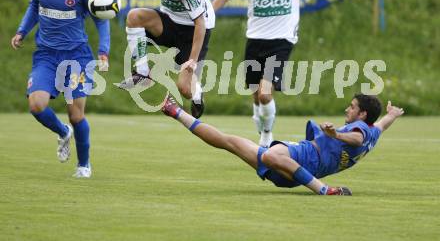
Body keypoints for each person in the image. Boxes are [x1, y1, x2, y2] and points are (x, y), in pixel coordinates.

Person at [212, 0, 380, 147]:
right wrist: (206, 18)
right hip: (255, 41)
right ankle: (259, 117)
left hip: (281, 42)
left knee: (265, 94)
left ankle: (266, 135)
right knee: (256, 95)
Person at [161, 93, 404, 195]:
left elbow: (356, 138)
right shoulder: (374, 131)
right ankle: (175, 111)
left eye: (351, 107)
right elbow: (382, 124)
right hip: (294, 173)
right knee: (229, 142)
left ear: (362, 115)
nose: (346, 109)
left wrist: (336, 135)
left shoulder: (360, 131)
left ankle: (324, 190)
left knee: (265, 155)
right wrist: (392, 114)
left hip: (304, 158)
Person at [11, 0, 110, 178]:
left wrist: (103, 51)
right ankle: (63, 132)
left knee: (76, 115)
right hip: (46, 56)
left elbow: (101, 19)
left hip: (77, 58)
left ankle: (84, 165)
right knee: (36, 105)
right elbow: (34, 6)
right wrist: (22, 31)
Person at [78, 0, 215, 118]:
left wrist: (193, 61)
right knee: (134, 17)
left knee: (185, 89)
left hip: (195, 28)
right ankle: (143, 72)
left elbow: (200, 23)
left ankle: (197, 94)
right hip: (170, 21)